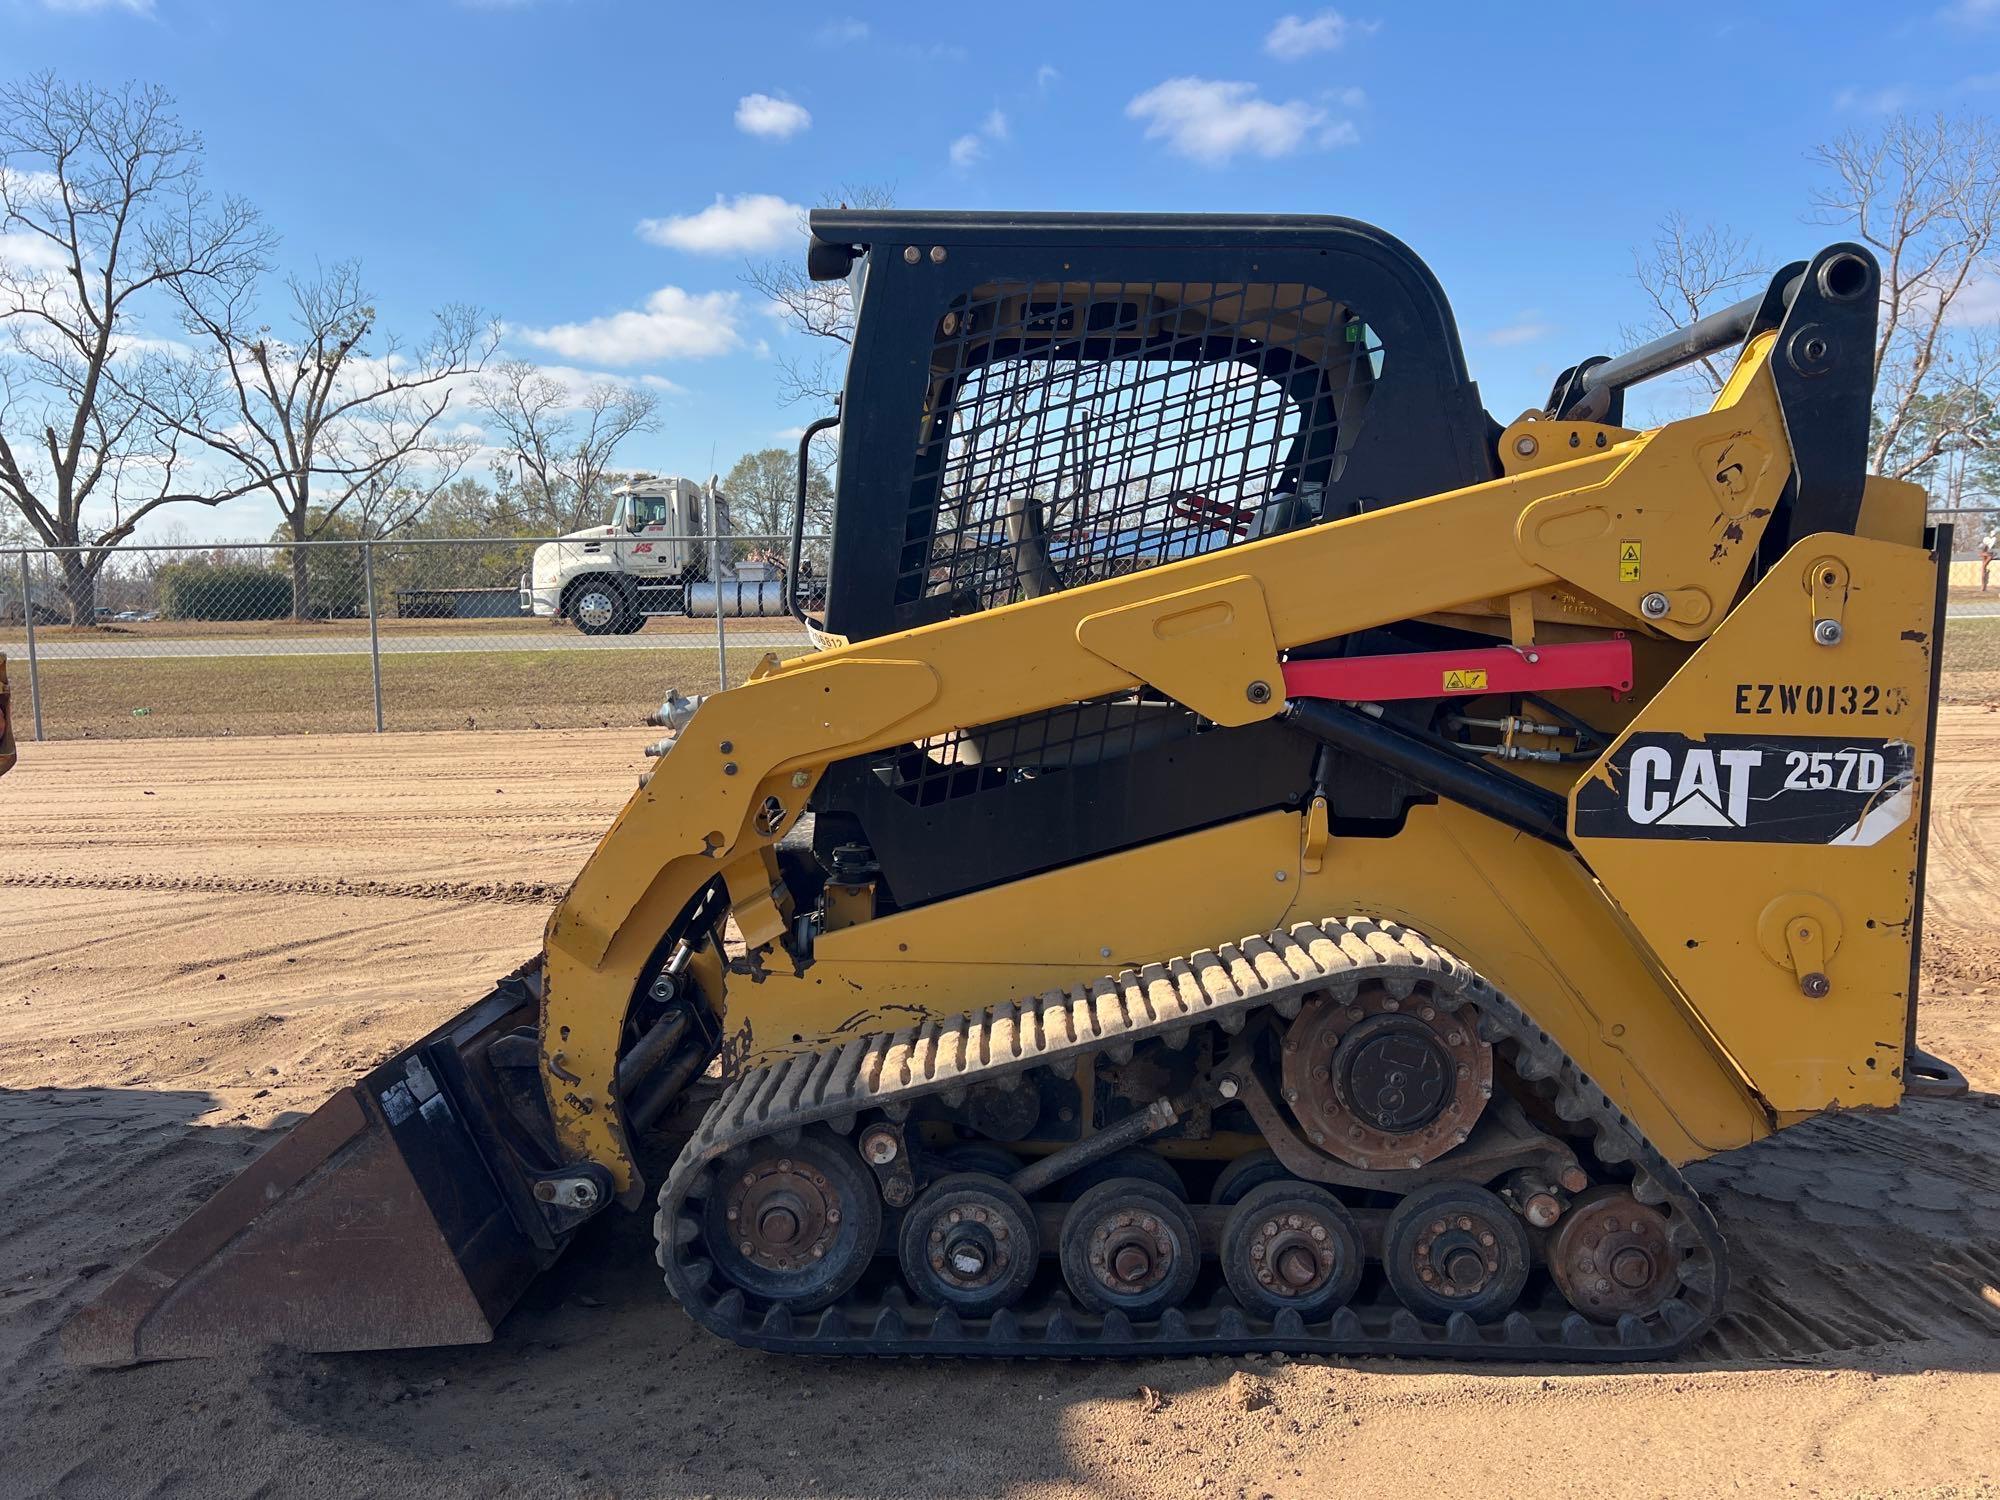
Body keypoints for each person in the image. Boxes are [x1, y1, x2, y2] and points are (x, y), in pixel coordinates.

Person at [1982, 529, 1996, 594]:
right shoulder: (1986, 546)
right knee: (1983, 570)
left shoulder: (1992, 541)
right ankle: (1983, 587)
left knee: (1984, 569)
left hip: (1988, 556)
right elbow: (1982, 553)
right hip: (1986, 557)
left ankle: (1984, 587)